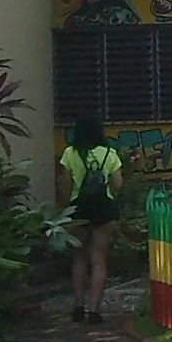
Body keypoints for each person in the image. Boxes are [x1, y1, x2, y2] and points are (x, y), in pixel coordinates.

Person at [56, 114, 124, 326]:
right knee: (98, 258)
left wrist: (65, 207)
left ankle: (78, 305)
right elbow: (118, 185)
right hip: (104, 210)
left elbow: (65, 186)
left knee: (79, 257)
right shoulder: (110, 154)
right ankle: (94, 309)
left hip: (79, 209)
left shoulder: (70, 153)